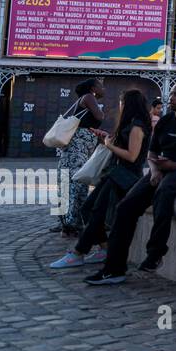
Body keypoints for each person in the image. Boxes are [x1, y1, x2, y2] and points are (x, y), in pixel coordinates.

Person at [84, 80, 176, 285]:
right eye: (171, 94)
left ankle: (155, 254)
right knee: (125, 207)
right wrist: (154, 169)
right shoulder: (165, 121)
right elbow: (152, 151)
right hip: (162, 170)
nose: (171, 98)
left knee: (164, 193)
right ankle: (114, 269)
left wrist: (174, 166)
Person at [49, 90, 151, 270]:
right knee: (88, 209)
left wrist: (109, 145)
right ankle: (105, 248)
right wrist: (105, 137)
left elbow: (132, 156)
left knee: (95, 211)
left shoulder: (137, 126)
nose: (120, 106)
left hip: (124, 177)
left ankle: (78, 252)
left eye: (122, 102)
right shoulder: (130, 124)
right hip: (115, 174)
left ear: (129, 104)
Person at [53, 78, 106, 236]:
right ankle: (70, 224)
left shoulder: (86, 99)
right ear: (93, 88)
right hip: (78, 149)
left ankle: (69, 223)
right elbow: (100, 116)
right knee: (76, 184)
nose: (104, 89)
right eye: (101, 86)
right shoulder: (89, 98)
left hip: (79, 149)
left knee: (73, 184)